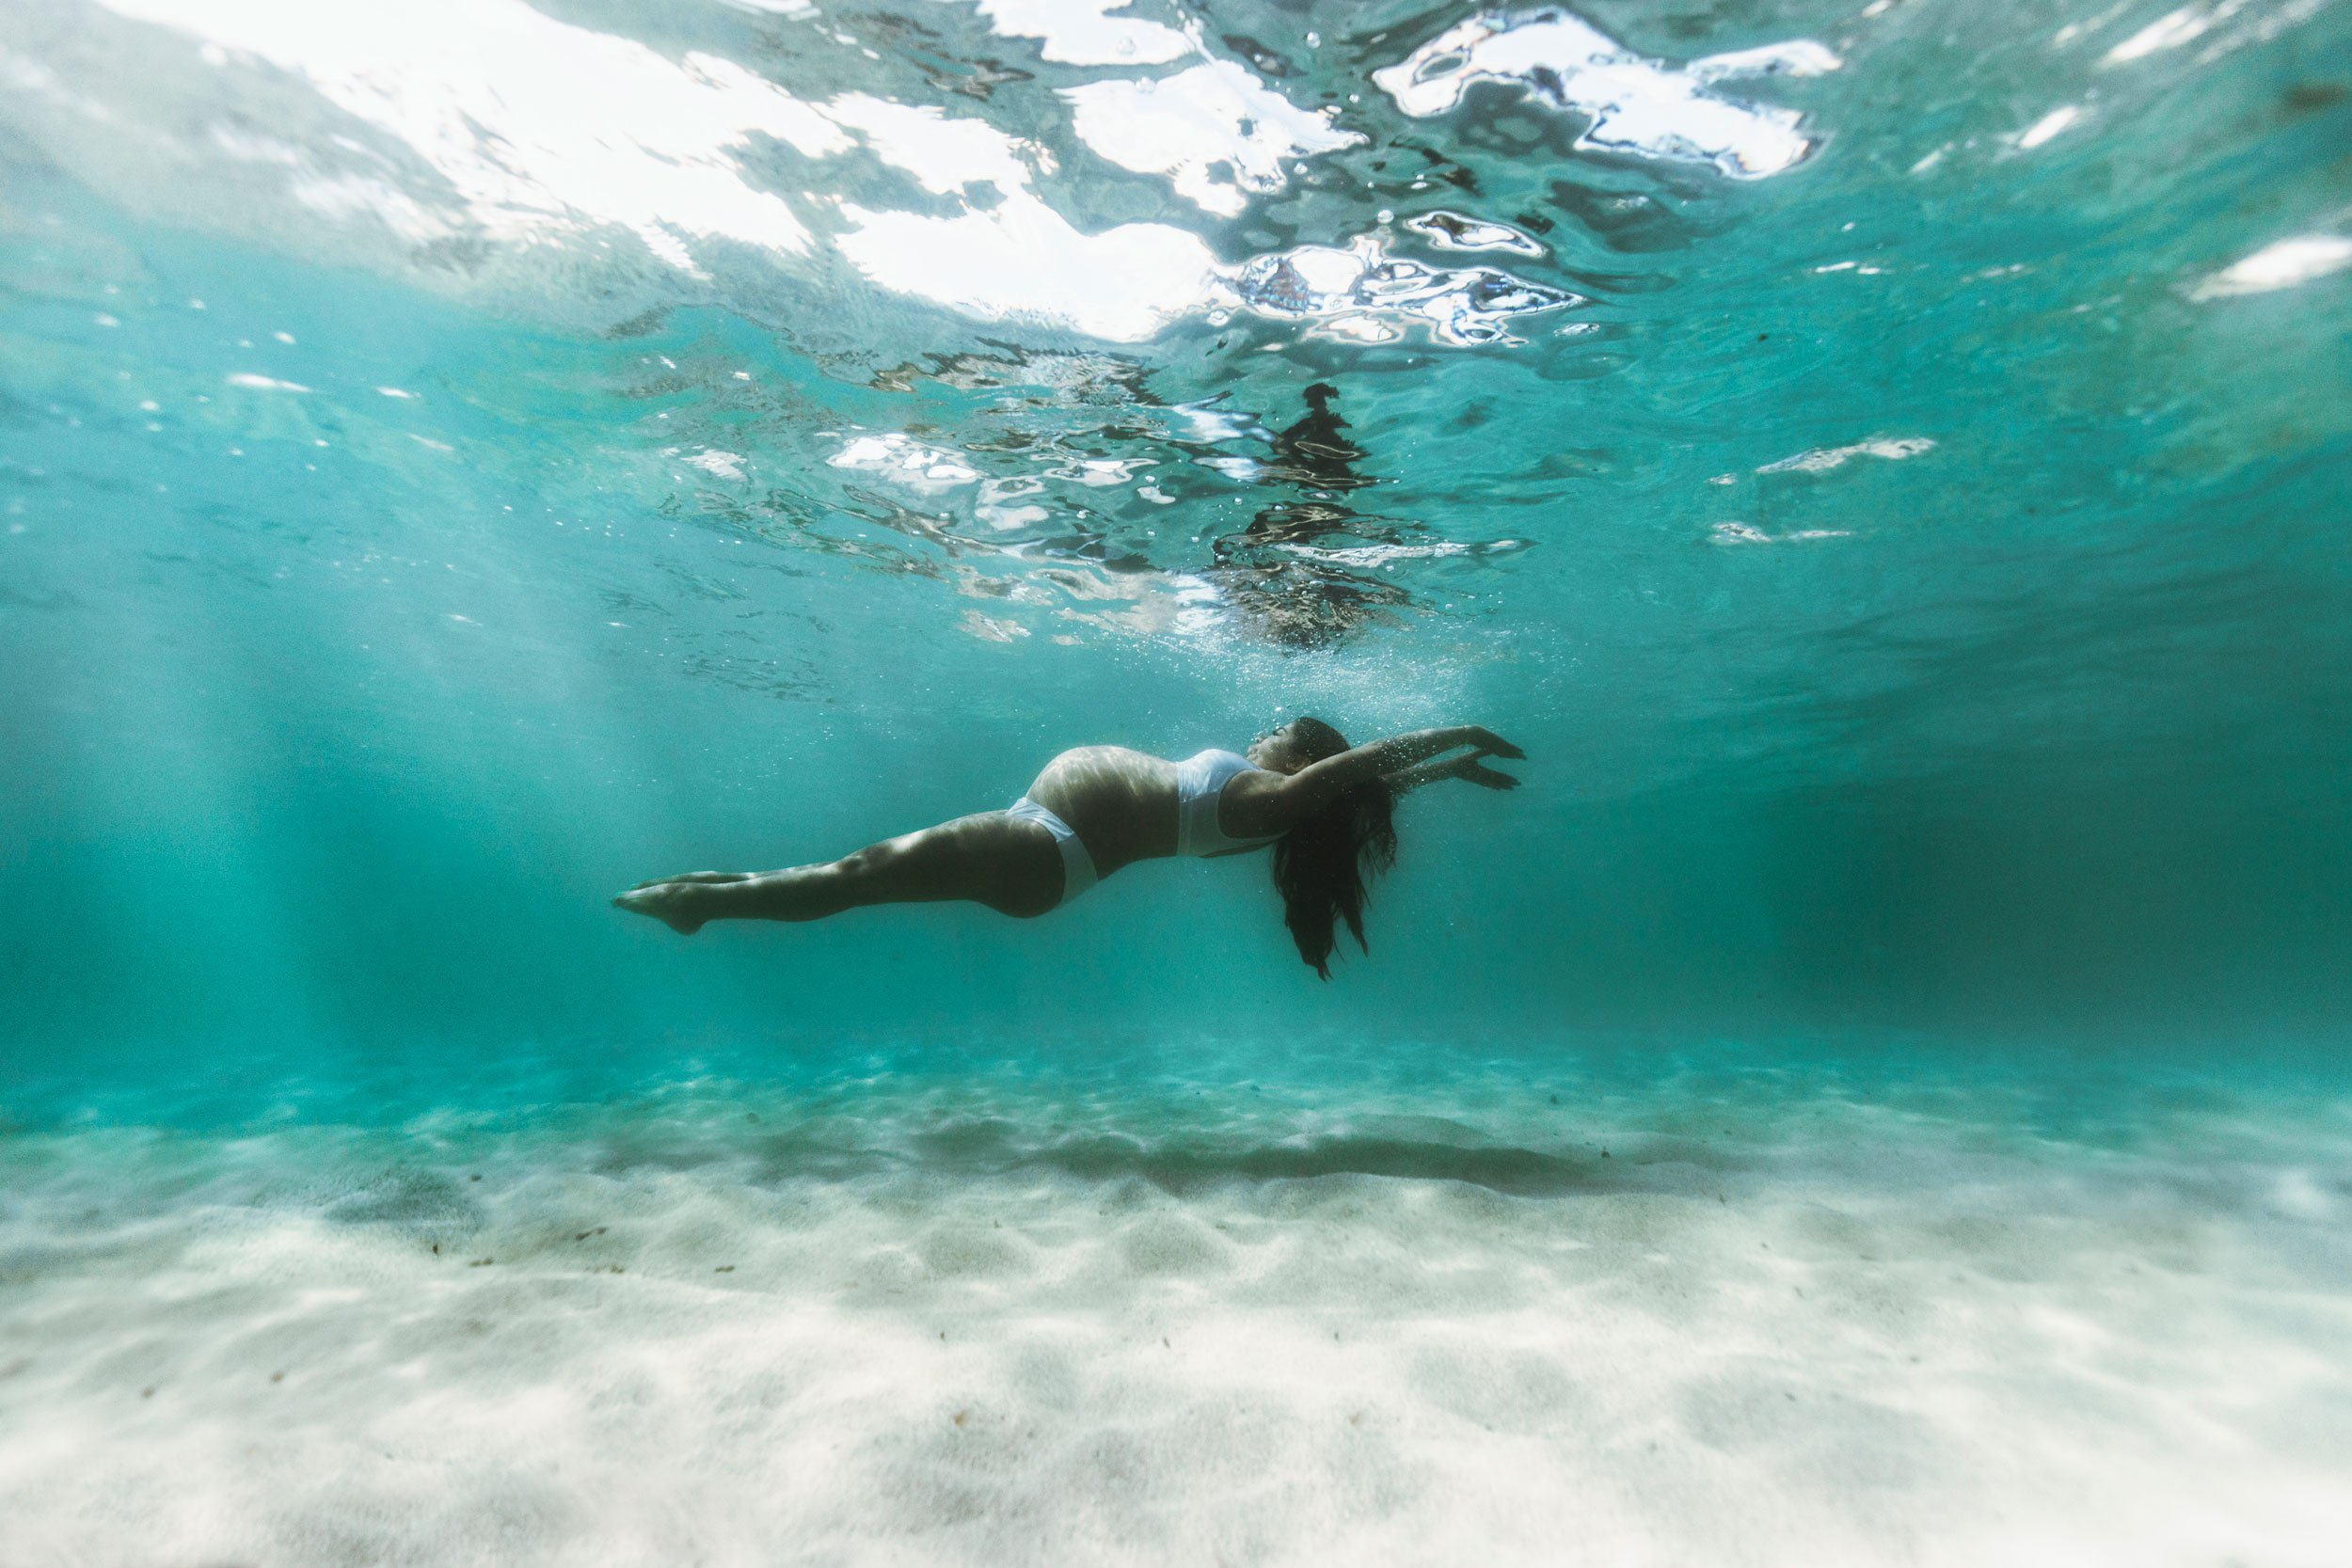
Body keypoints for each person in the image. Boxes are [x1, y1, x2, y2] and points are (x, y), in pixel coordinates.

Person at [613, 718, 1522, 975]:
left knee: (856, 877)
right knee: (858, 878)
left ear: (1302, 760)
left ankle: (706, 902)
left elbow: (1349, 771)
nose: (1265, 728)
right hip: (1044, 848)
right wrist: (1442, 774)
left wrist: (1451, 733)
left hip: (1041, 846)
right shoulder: (1272, 813)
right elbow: (1355, 786)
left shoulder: (1266, 800)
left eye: (1282, 728)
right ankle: (713, 891)